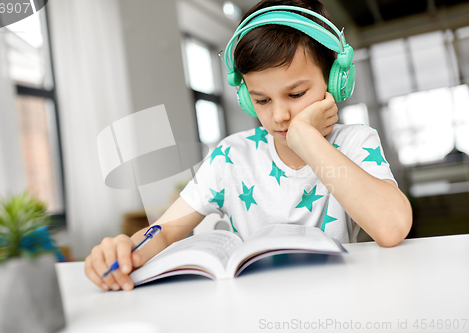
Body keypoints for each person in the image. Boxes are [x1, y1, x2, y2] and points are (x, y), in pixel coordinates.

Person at [85, 0, 412, 292]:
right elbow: (167, 230)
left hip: (336, 298)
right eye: (262, 100)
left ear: (335, 80)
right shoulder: (231, 157)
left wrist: (306, 137)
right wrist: (124, 250)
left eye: (296, 94)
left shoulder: (354, 142)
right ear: (245, 97)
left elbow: (392, 227)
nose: (280, 116)